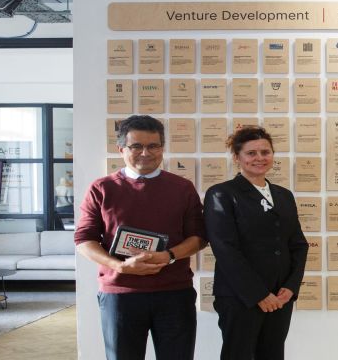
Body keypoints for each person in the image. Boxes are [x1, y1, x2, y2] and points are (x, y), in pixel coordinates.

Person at [75, 115, 206, 360]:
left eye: (153, 146)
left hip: (174, 293)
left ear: (162, 148)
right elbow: (84, 240)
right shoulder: (101, 188)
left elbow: (199, 237)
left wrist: (167, 256)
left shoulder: (183, 188)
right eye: (136, 146)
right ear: (121, 149)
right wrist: (120, 266)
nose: (145, 153)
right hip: (120, 295)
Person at [204, 126, 308, 360]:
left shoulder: (284, 195)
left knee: (272, 355)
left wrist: (290, 288)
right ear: (237, 157)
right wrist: (259, 294)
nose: (259, 158)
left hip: (280, 297)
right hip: (241, 297)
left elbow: (298, 245)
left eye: (265, 152)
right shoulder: (221, 194)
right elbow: (225, 249)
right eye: (251, 153)